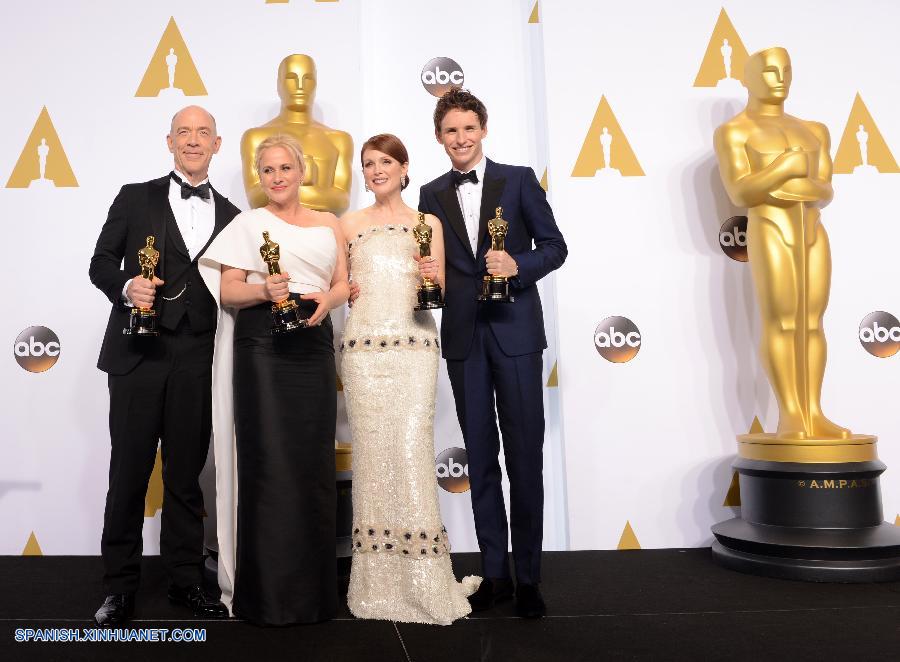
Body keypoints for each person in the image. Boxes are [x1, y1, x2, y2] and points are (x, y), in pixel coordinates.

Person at [89, 105, 240, 627]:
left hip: (198, 355)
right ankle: (119, 588)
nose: (193, 141)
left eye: (203, 133)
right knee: (129, 472)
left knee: (184, 476)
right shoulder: (135, 197)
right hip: (137, 355)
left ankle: (184, 580)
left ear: (217, 145)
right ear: (169, 142)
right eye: (184, 132)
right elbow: (100, 262)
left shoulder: (234, 215)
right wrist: (127, 285)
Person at [419, 89, 567, 618]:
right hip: (463, 340)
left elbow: (555, 247)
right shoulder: (430, 193)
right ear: (439, 137)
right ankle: (496, 574)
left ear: (483, 129)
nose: (460, 139)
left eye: (468, 128)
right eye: (450, 131)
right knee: (480, 460)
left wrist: (518, 266)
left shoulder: (521, 179)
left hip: (517, 337)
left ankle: (529, 579)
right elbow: (431, 260)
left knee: (524, 459)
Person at [198, 134, 350, 626]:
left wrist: (328, 302)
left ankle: (313, 596)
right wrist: (265, 289)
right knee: (269, 463)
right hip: (263, 345)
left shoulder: (330, 224)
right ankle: (266, 597)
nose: (278, 177)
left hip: (313, 341)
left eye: (285, 168)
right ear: (259, 178)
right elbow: (228, 291)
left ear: (302, 171)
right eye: (268, 170)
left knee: (310, 464)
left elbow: (344, 281)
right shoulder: (248, 225)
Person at [340, 133, 479, 625]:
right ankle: (376, 586)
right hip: (362, 354)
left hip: (415, 349)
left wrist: (429, 274)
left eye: (384, 162)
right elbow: (340, 284)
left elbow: (436, 286)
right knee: (374, 459)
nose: (375, 170)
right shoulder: (348, 224)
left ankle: (424, 581)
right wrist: (345, 288)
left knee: (411, 453)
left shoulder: (428, 223)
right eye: (367, 163)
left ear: (404, 168)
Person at [714, 47, 849, 440]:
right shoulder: (735, 131)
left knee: (812, 322)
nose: (780, 78)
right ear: (748, 77)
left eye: (786, 70)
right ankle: (791, 413)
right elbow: (741, 192)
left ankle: (814, 412)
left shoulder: (815, 130)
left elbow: (824, 190)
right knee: (783, 321)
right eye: (770, 70)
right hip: (770, 227)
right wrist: (786, 169)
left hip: (812, 229)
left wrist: (779, 183)